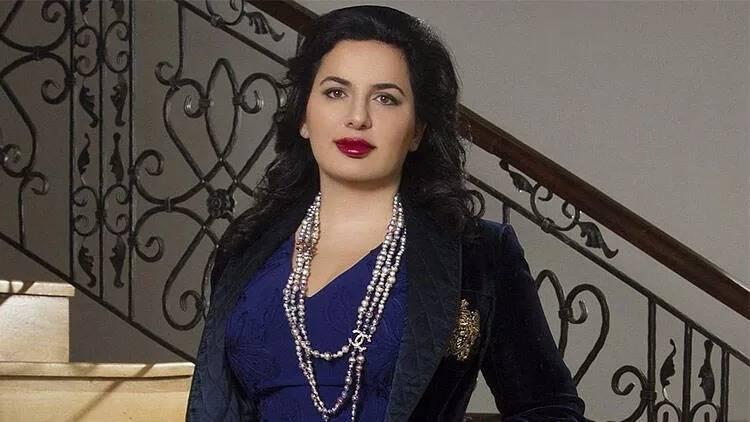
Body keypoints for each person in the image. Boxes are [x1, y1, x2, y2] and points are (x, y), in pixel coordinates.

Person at [186, 5, 586, 421]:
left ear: (417, 130)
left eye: (386, 99)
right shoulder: (246, 249)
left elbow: (551, 409)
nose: (358, 117)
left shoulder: (480, 255)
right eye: (336, 92)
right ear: (303, 115)